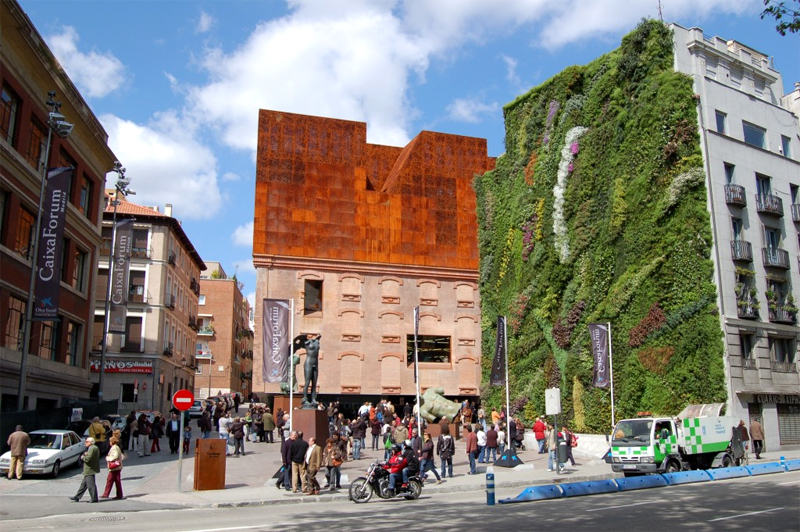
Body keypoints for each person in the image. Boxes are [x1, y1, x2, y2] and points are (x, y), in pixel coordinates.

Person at [70, 437, 100, 503]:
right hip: (89, 469)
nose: (85, 443)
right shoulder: (93, 448)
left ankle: (94, 498)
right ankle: (77, 496)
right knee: (84, 484)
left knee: (91, 485)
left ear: (91, 442)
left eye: (86, 441)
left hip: (89, 469)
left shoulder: (92, 448)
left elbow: (88, 459)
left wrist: (83, 457)